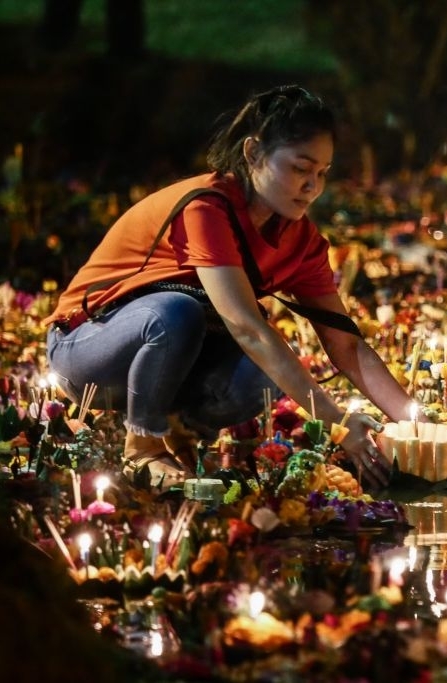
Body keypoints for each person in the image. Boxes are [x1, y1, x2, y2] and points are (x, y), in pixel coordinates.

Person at [43, 85, 415, 490]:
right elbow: (246, 327)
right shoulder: (205, 208)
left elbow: (347, 345)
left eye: (322, 173)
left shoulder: (300, 239)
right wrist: (337, 421)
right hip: (87, 350)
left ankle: (177, 432)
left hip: (171, 361)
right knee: (176, 313)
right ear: (253, 153)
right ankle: (143, 448)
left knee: (272, 370)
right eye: (300, 168)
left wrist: (418, 424)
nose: (313, 186)